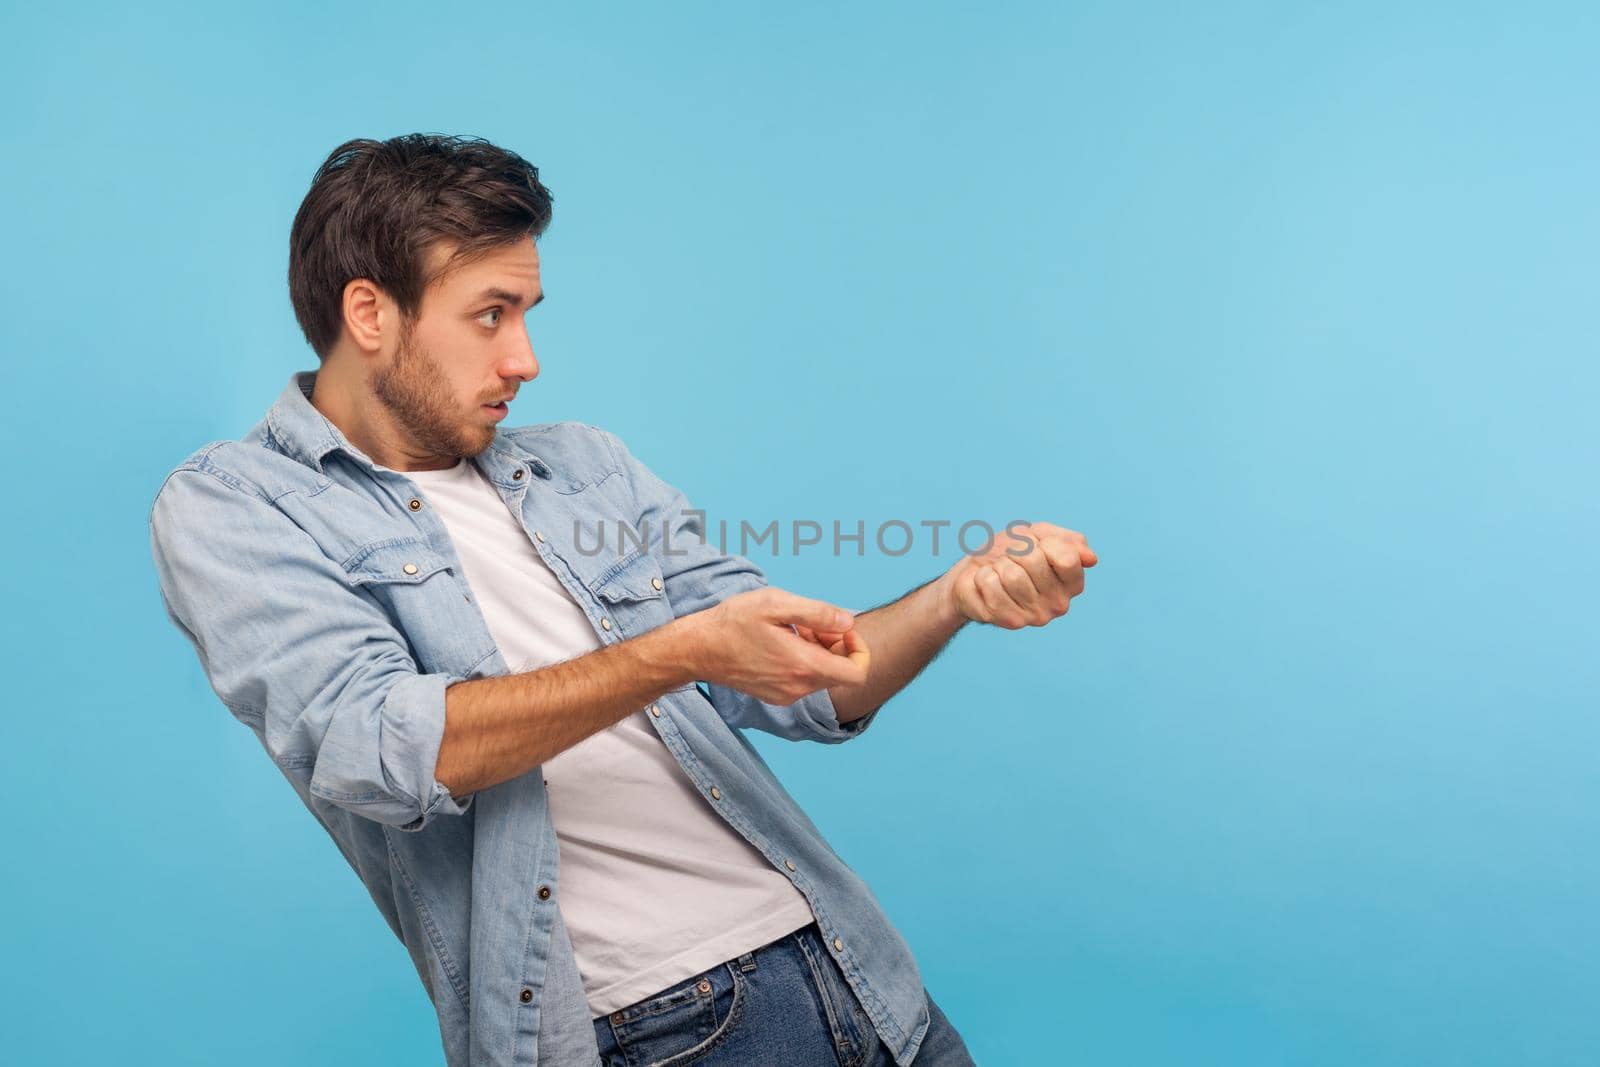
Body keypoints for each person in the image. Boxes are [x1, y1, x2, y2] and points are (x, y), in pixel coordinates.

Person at [147, 133, 1097, 1067]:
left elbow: (804, 678)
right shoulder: (237, 505)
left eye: (528, 312)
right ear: (370, 312)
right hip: (660, 1029)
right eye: (492, 313)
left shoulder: (581, 465)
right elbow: (386, 750)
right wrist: (677, 652)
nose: (525, 358)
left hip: (857, 971)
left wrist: (955, 598)